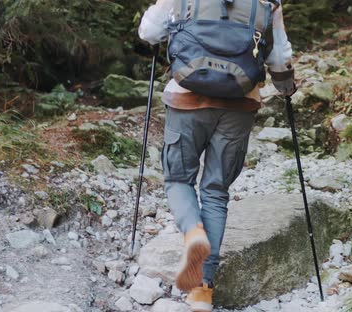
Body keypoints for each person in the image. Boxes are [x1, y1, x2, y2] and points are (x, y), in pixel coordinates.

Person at [138, 1, 295, 311]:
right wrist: (286, 86)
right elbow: (278, 57)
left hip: (186, 98)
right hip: (240, 102)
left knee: (178, 179)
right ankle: (202, 288)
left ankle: (194, 232)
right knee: (215, 190)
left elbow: (149, 32)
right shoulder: (267, 2)